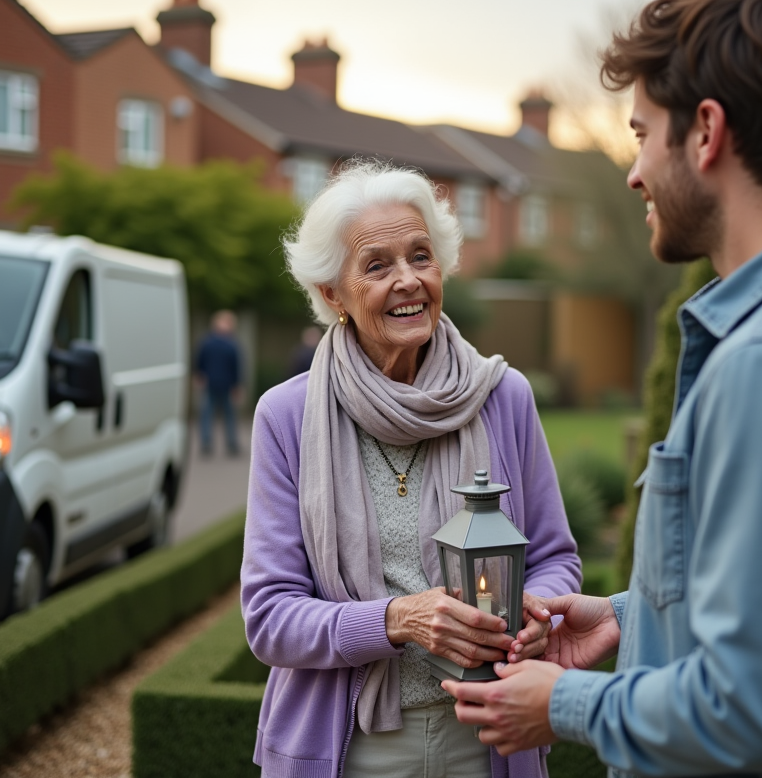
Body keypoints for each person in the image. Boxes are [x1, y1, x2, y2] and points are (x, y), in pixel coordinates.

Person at [443, 0, 762, 777]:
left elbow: (747, 709)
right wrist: (631, 616)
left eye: (643, 134)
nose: (634, 173)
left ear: (707, 132)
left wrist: (563, 702)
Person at [241, 162, 581, 778]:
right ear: (332, 293)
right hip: (351, 748)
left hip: (489, 738)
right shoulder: (286, 416)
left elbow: (556, 559)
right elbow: (270, 618)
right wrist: (397, 620)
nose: (408, 280)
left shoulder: (503, 397)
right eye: (377, 266)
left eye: (421, 256)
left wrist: (536, 612)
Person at [195, 309, 243, 457]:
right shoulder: (231, 344)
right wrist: (237, 385)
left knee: (209, 414)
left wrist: (199, 377)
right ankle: (230, 444)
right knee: (227, 415)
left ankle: (208, 443)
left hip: (214, 383)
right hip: (224, 384)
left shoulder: (207, 342)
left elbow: (199, 363)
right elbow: (236, 367)